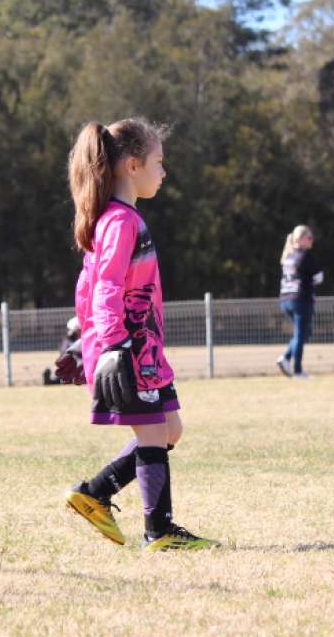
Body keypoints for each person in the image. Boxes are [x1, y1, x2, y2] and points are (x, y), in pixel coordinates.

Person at [58, 118, 218, 551]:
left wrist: (82, 332)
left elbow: (87, 286)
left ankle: (94, 493)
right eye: (158, 162)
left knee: (169, 430)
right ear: (132, 165)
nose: (164, 172)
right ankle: (160, 531)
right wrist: (110, 343)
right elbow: (104, 285)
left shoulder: (120, 219)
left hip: (144, 348)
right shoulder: (119, 221)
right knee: (152, 435)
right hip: (127, 349)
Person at [277, 225, 323, 379]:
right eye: (309, 237)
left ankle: (286, 358)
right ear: (301, 239)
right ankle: (297, 370)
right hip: (300, 300)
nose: (312, 240)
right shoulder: (306, 254)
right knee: (301, 334)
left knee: (303, 333)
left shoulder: (288, 256)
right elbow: (318, 277)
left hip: (286, 299)